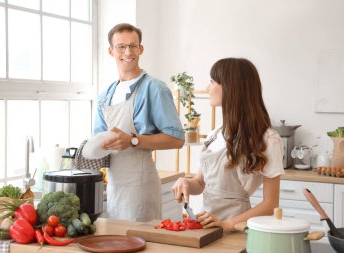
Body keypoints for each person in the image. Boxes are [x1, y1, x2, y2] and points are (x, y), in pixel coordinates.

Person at [172, 58, 284, 232]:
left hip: (237, 228)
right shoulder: (215, 134)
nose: (208, 88)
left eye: (212, 82)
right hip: (207, 225)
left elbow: (270, 204)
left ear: (231, 87)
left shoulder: (268, 139)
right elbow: (200, 183)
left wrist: (227, 225)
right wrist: (185, 182)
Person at [92, 23, 185, 222]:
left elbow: (177, 139)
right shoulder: (104, 96)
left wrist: (133, 140)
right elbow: (98, 140)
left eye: (133, 46)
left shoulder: (155, 88)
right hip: (115, 186)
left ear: (141, 49)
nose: (128, 52)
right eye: (121, 47)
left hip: (141, 186)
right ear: (111, 51)